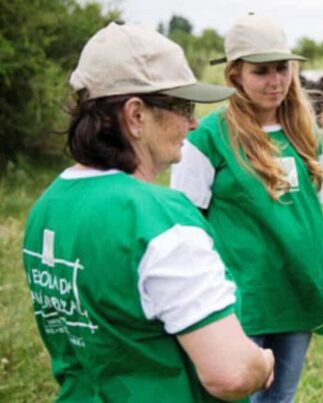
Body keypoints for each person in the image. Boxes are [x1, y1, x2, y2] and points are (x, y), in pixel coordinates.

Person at [22, 22, 274, 402]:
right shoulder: (157, 218)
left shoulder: (48, 206)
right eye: (182, 107)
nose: (193, 122)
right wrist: (261, 362)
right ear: (136, 115)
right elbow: (231, 373)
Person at [170, 13, 323, 403]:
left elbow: (312, 210)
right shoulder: (209, 136)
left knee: (280, 398)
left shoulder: (305, 131)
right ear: (235, 75)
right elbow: (186, 222)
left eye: (282, 69)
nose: (276, 81)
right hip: (241, 300)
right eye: (261, 71)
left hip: (297, 292)